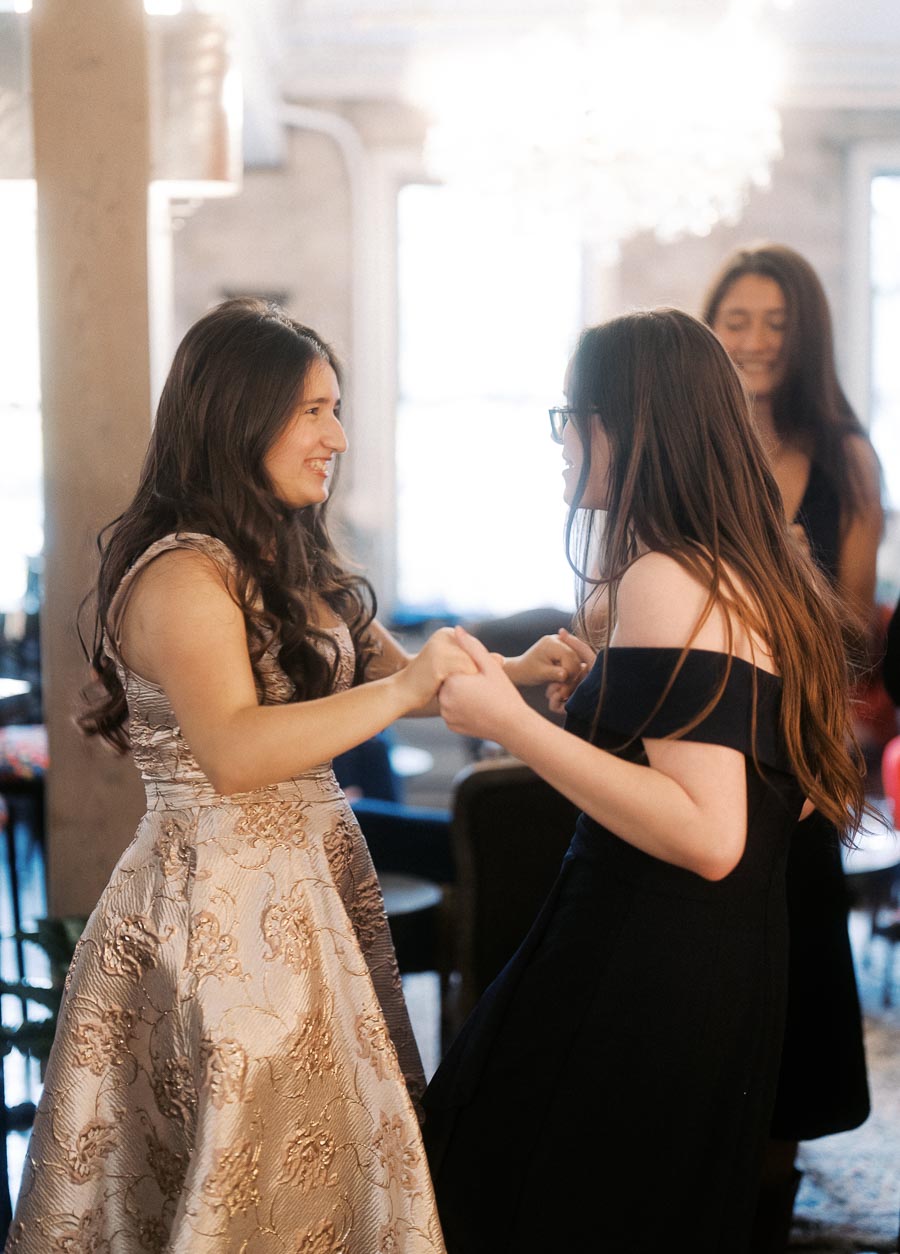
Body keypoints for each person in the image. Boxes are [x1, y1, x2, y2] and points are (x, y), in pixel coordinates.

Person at [5, 298, 583, 1254]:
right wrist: (409, 696)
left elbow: (397, 678)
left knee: (336, 1155)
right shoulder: (181, 576)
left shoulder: (286, 555)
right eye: (314, 411)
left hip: (310, 886)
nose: (337, 436)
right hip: (218, 911)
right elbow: (235, 751)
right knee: (252, 1167)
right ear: (239, 415)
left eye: (337, 408)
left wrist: (516, 677)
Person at [421, 308, 869, 1254]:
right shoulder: (757, 567)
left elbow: (710, 836)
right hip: (721, 966)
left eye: (569, 418)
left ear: (624, 424)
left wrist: (512, 725)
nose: (559, 447)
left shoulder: (668, 574)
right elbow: (737, 776)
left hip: (644, 962)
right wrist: (607, 700)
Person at [702, 243, 881, 1250]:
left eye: (776, 321)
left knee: (791, 981)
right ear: (711, 328)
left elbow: (853, 636)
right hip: (690, 743)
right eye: (738, 319)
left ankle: (771, 1195)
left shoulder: (848, 458)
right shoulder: (688, 445)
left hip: (796, 756)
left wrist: (784, 594)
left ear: (804, 334)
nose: (757, 340)